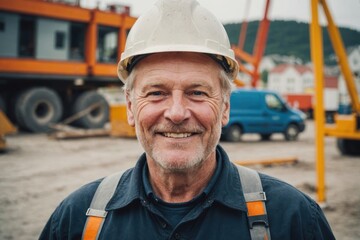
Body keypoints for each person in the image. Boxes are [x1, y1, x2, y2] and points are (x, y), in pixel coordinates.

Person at [39, 0, 335, 239]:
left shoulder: (293, 219)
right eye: (156, 93)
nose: (177, 113)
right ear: (130, 106)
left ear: (225, 107)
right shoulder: (77, 219)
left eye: (197, 92)